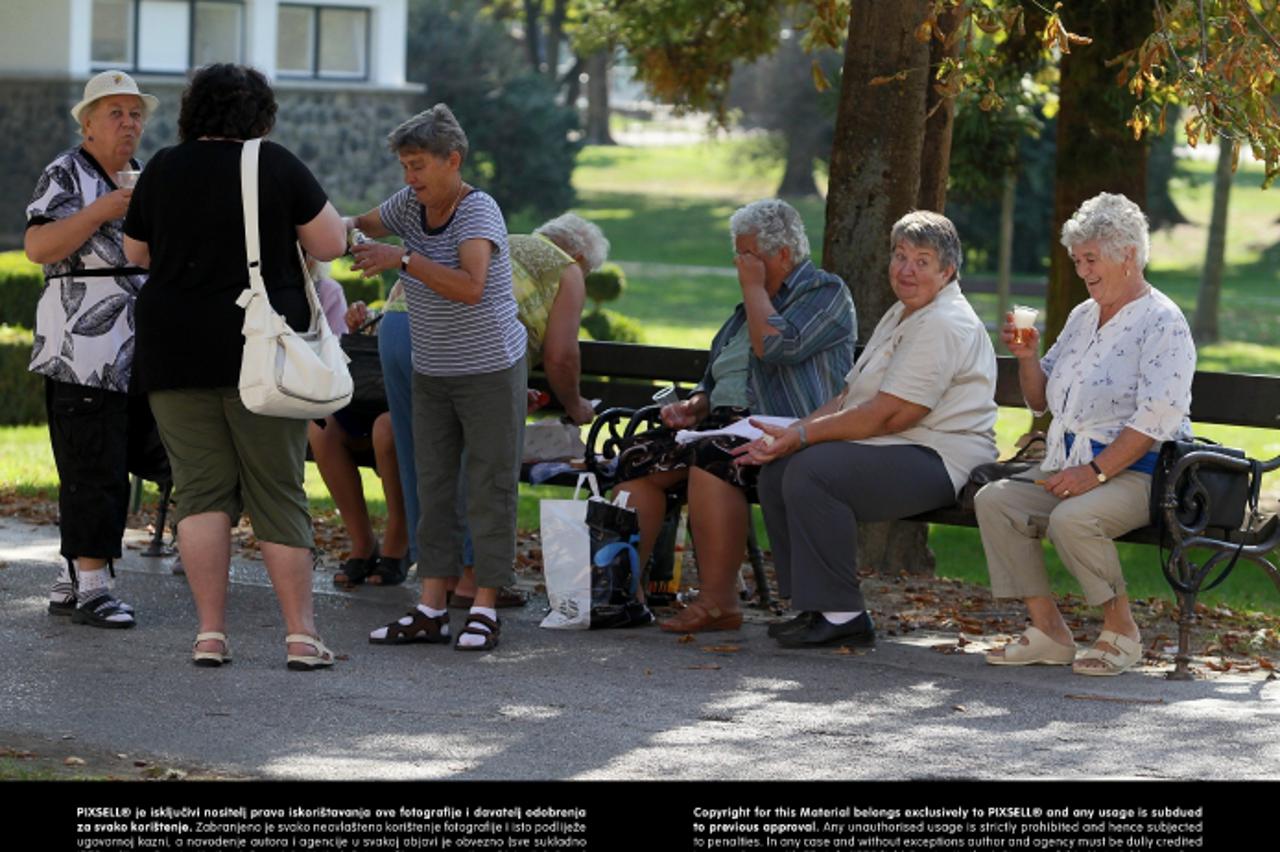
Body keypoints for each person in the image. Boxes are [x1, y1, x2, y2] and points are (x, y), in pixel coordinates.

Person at [122, 63, 346, 670]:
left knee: (198, 492)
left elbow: (135, 251)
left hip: (172, 349)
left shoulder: (164, 167)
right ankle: (301, 636)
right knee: (277, 489)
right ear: (262, 114)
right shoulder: (274, 164)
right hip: (260, 349)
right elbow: (329, 244)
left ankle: (210, 635)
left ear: (192, 111)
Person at [738, 210, 998, 648]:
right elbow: (848, 397)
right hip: (896, 444)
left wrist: (801, 438)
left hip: (939, 456)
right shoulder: (904, 312)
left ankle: (844, 616)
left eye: (922, 260)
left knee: (812, 469)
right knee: (780, 470)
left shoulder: (943, 322)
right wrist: (787, 437)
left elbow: (890, 415)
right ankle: (811, 604)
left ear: (947, 270)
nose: (906, 270)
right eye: (900, 256)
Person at [976, 192, 1196, 676]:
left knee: (1073, 519)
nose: (1083, 271)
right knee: (996, 501)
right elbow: (1041, 400)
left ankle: (1122, 631)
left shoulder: (1163, 322)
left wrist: (1093, 473)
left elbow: (1155, 419)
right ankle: (1049, 632)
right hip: (1073, 464)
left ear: (1129, 255)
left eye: (1091, 259)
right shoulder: (1082, 316)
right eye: (1077, 261)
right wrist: (1028, 358)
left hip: (1143, 473)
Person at [614, 198, 856, 633]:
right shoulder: (745, 310)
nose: (738, 263)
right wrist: (694, 405)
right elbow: (715, 376)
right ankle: (619, 594)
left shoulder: (825, 292)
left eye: (748, 255)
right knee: (638, 458)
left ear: (782, 254)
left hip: (783, 428)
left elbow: (777, 347)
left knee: (712, 458)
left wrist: (753, 289)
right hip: (721, 424)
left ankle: (718, 602)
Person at [347, 104, 527, 653]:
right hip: (434, 369)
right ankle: (430, 607)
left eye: (419, 165)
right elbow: (357, 225)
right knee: (433, 483)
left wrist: (402, 260)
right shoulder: (409, 205)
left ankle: (485, 608)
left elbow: (472, 286)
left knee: (488, 487)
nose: (410, 179)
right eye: (405, 166)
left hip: (490, 369)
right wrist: (314, 220)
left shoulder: (478, 212)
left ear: (453, 160)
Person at [25, 70, 164, 629]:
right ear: (87, 123)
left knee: (109, 456)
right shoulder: (63, 173)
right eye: (116, 113)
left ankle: (72, 575)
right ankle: (93, 583)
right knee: (91, 461)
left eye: (135, 114)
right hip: (80, 346)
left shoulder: (148, 177)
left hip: (135, 347)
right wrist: (100, 212)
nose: (129, 123)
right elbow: (37, 246)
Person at [444, 212, 612, 607]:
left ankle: (442, 582)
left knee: (440, 466)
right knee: (490, 470)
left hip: (432, 349)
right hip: (480, 359)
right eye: (585, 271)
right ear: (575, 255)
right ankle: (480, 582)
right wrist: (575, 405)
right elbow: (561, 357)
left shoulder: (510, 243)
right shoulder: (563, 266)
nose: (580, 280)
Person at [309, 274, 411, 589]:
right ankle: (363, 541)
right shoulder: (402, 282)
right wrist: (362, 327)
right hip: (375, 394)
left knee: (386, 428)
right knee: (320, 426)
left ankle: (399, 540)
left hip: (415, 401)